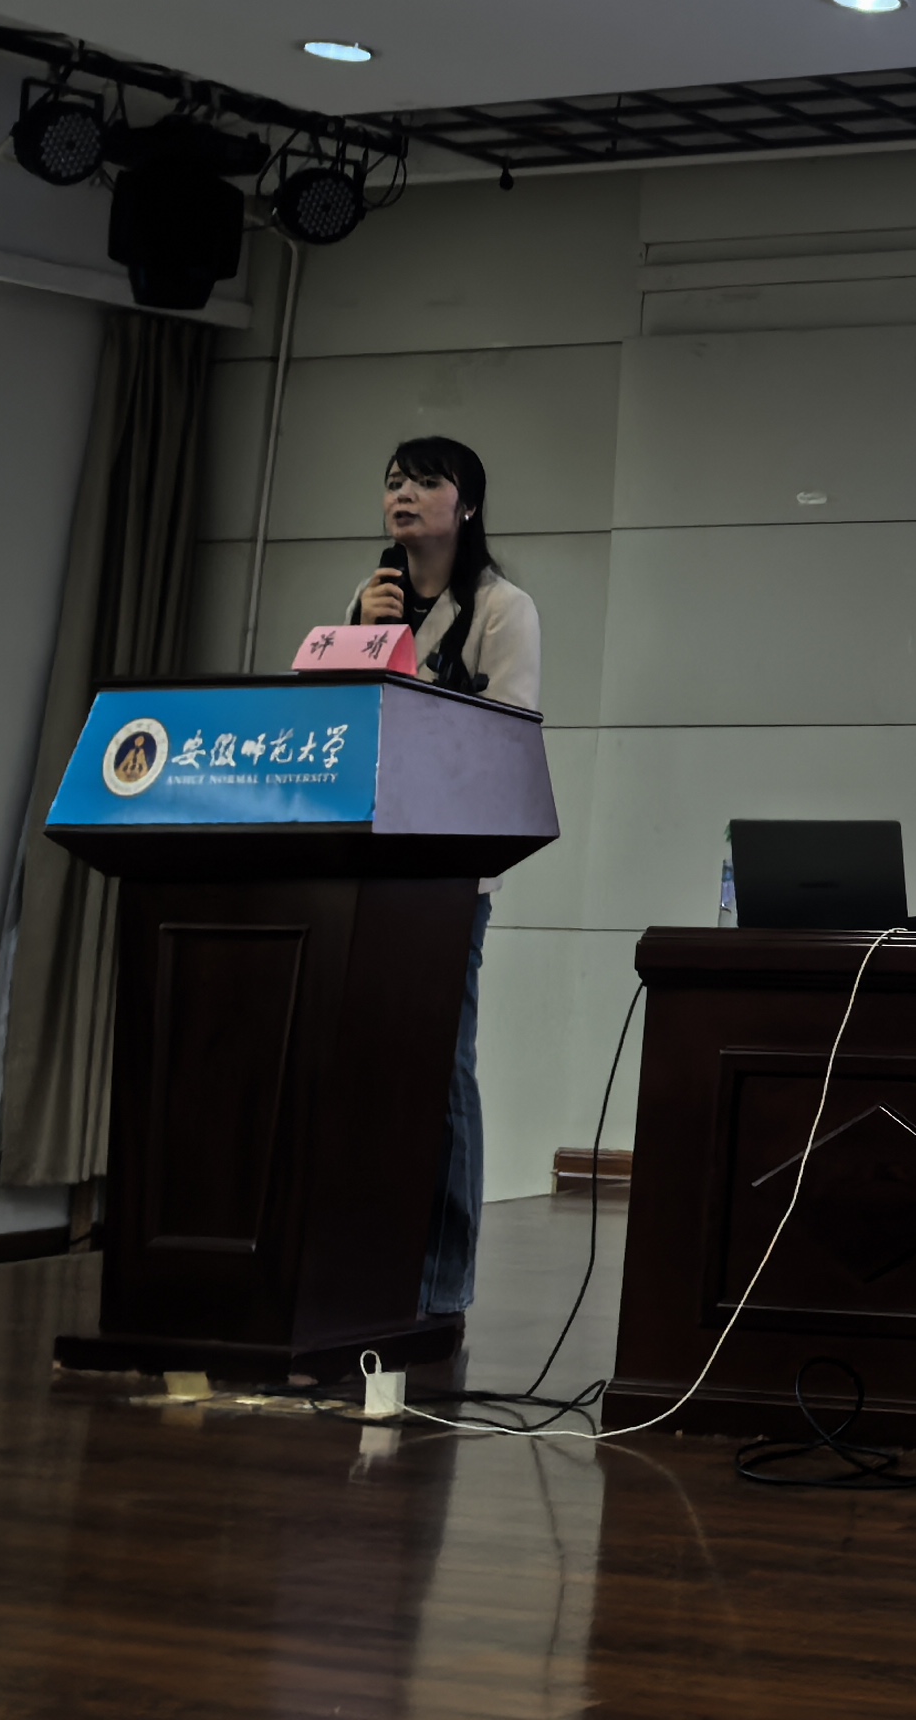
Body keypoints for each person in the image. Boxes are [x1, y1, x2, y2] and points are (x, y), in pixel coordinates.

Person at [352, 436, 541, 1324]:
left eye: (427, 482)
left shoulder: (504, 608)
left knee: (441, 1065)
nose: (405, 494)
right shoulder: (368, 601)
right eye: (395, 481)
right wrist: (368, 635)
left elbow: (504, 741)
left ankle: (443, 1279)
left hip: (447, 874)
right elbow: (333, 720)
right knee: (365, 1065)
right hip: (361, 864)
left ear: (466, 505)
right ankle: (366, 1261)